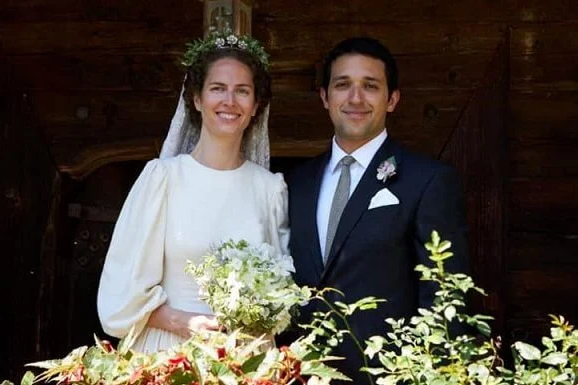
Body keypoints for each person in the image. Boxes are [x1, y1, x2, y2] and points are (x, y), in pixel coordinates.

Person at [286, 37, 470, 384]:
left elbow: (445, 299)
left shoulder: (427, 181)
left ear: (393, 99)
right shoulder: (296, 183)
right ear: (325, 97)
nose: (356, 98)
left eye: (370, 86)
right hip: (300, 374)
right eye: (343, 85)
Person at [97, 31, 288, 353]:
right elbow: (121, 291)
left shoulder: (269, 188)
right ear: (197, 99)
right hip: (169, 350)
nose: (229, 101)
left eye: (242, 91)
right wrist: (179, 321)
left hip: (245, 353)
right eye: (217, 89)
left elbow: (282, 286)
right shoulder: (164, 178)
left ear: (256, 106)